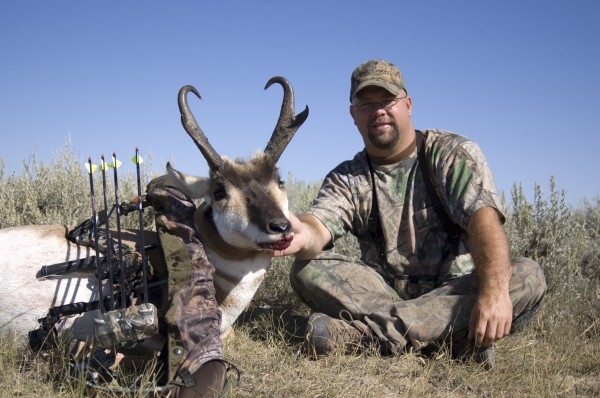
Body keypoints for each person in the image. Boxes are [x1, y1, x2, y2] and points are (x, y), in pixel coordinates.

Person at [275, 59, 546, 369]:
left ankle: (369, 336)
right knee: (307, 268)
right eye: (366, 104)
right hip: (388, 297)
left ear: (407, 104)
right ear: (353, 115)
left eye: (387, 100)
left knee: (528, 275)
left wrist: (494, 292)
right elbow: (318, 224)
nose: (378, 110)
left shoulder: (451, 153)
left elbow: (483, 220)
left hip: (456, 291)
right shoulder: (348, 178)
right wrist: (299, 232)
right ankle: (449, 339)